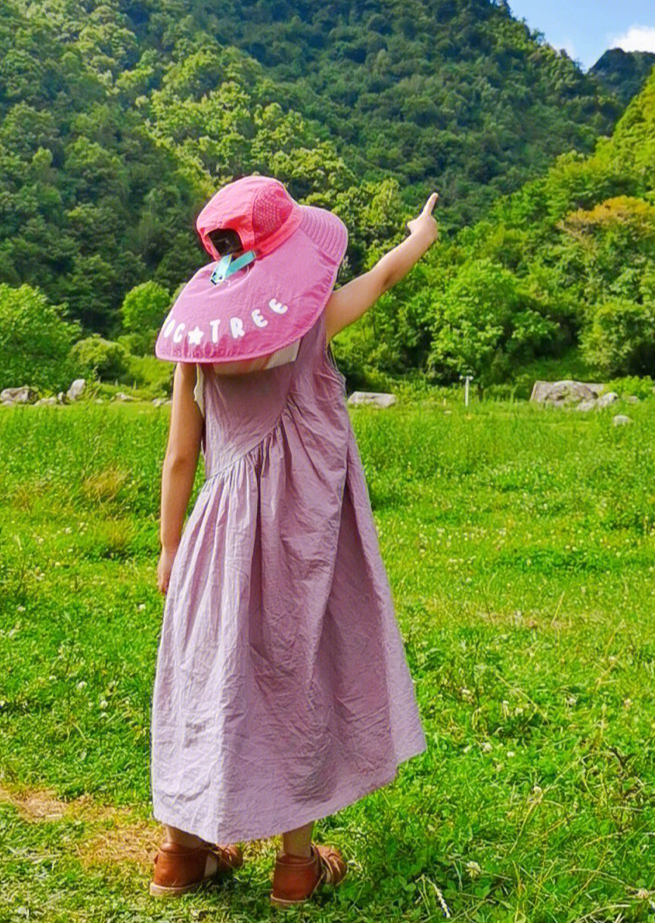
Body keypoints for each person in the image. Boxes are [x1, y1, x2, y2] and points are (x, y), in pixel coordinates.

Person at [148, 175, 438, 906]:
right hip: (297, 537)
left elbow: (181, 455)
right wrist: (418, 237)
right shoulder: (310, 324)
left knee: (208, 670)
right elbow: (380, 277)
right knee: (293, 670)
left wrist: (168, 545)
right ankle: (295, 866)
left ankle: (183, 853)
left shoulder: (200, 351)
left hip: (217, 532)